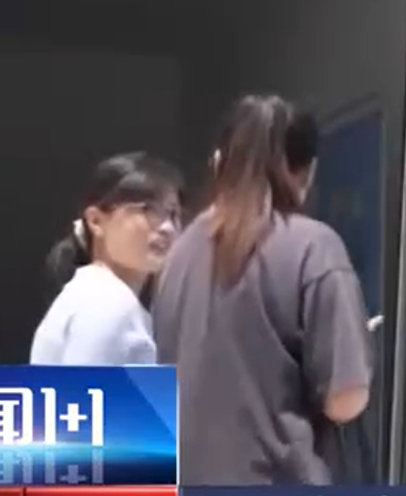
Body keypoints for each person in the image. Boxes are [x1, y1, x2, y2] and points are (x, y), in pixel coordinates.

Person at [153, 95, 371, 485]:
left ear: (220, 162)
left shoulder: (178, 254)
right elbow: (346, 399)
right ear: (306, 171)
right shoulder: (314, 248)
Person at [30, 153, 183, 365]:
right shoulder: (109, 303)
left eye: (173, 214)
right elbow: (85, 387)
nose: (167, 228)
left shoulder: (97, 293)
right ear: (96, 221)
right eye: (148, 209)